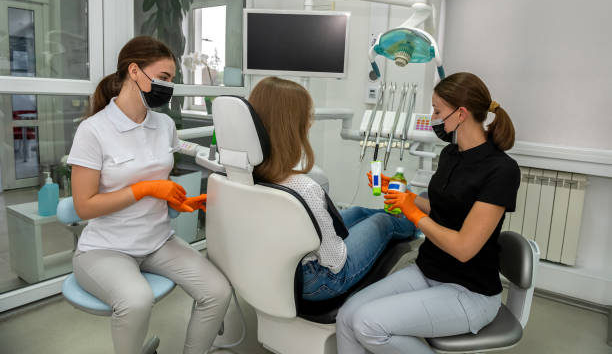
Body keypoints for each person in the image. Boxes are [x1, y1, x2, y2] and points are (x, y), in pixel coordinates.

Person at [336, 72, 521, 354]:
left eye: (437, 110)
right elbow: (448, 208)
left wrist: (412, 213)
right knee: (347, 316)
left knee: (368, 324)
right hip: (428, 271)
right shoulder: (450, 155)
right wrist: (406, 196)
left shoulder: (501, 170)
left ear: (461, 114)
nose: (432, 116)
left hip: (470, 292)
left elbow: (464, 247)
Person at [68, 36, 231, 354]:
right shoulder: (93, 131)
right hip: (106, 249)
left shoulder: (164, 125)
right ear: (134, 71)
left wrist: (175, 201)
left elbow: (158, 180)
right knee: (136, 301)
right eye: (164, 78)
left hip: (158, 241)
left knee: (218, 292)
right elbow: (84, 206)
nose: (168, 87)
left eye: (171, 80)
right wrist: (146, 189)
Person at [248, 77, 418, 301]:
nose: (311, 123)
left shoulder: (245, 174)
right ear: (291, 125)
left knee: (357, 211)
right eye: (307, 117)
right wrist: (342, 239)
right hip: (318, 281)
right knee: (381, 222)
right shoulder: (305, 188)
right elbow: (335, 261)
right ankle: (416, 223)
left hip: (278, 262)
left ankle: (404, 218)